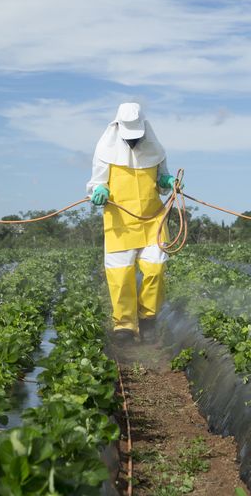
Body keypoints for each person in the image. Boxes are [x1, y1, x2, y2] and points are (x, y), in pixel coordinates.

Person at [86, 103, 179, 343]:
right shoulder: (104, 149)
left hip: (152, 220)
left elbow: (161, 179)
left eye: (136, 138)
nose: (132, 143)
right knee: (121, 275)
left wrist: (167, 181)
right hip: (120, 222)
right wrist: (99, 191)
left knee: (155, 269)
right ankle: (124, 326)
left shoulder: (156, 150)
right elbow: (97, 182)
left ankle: (148, 318)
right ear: (117, 128)